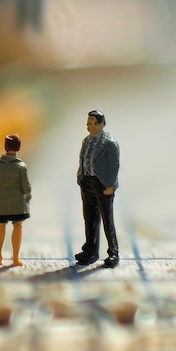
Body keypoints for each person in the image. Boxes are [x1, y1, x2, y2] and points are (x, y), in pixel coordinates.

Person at [75, 110, 120, 268]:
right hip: (87, 182)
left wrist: (109, 186)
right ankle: (91, 251)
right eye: (87, 123)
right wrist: (80, 176)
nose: (88, 126)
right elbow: (82, 159)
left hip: (103, 184)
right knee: (90, 218)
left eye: (91, 123)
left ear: (101, 124)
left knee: (107, 220)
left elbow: (114, 166)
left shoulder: (109, 142)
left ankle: (113, 253)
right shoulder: (86, 141)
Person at [0, 133, 31, 266]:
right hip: (18, 206)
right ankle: (15, 259)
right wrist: (28, 198)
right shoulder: (21, 166)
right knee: (18, 225)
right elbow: (26, 187)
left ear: (5, 146)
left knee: (1, 225)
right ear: (18, 147)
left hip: (0, 205)